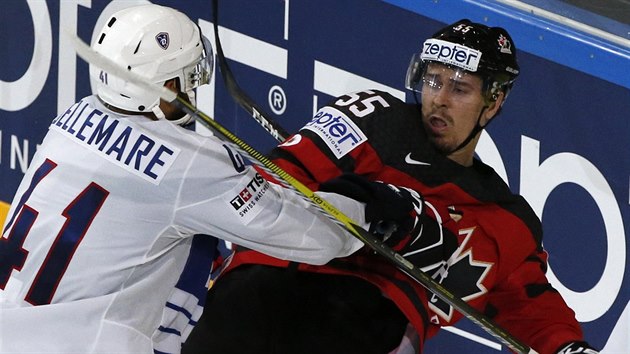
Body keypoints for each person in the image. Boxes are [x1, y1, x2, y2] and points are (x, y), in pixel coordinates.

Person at [0, 4, 421, 354]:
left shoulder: (73, 117)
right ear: (166, 84)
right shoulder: (190, 167)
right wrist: (364, 208)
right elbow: (315, 239)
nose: (192, 88)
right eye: (185, 77)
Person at [185, 19, 599, 354]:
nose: (438, 98)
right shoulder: (372, 120)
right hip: (263, 295)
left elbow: (533, 312)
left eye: (459, 88)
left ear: (493, 102)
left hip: (363, 330)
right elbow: (273, 179)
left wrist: (568, 349)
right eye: (433, 81)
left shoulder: (508, 222)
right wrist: (362, 206)